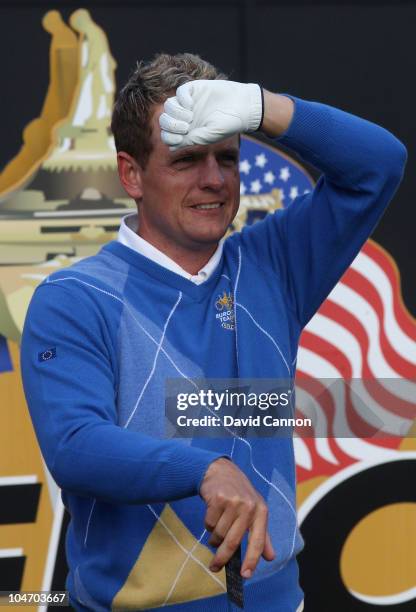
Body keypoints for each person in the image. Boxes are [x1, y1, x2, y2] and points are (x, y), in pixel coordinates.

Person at [20, 53, 406, 611]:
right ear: (131, 174)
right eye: (185, 160)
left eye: (227, 156)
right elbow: (75, 446)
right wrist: (203, 470)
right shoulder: (75, 297)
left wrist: (259, 108)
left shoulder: (274, 264)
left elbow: (380, 164)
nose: (214, 179)